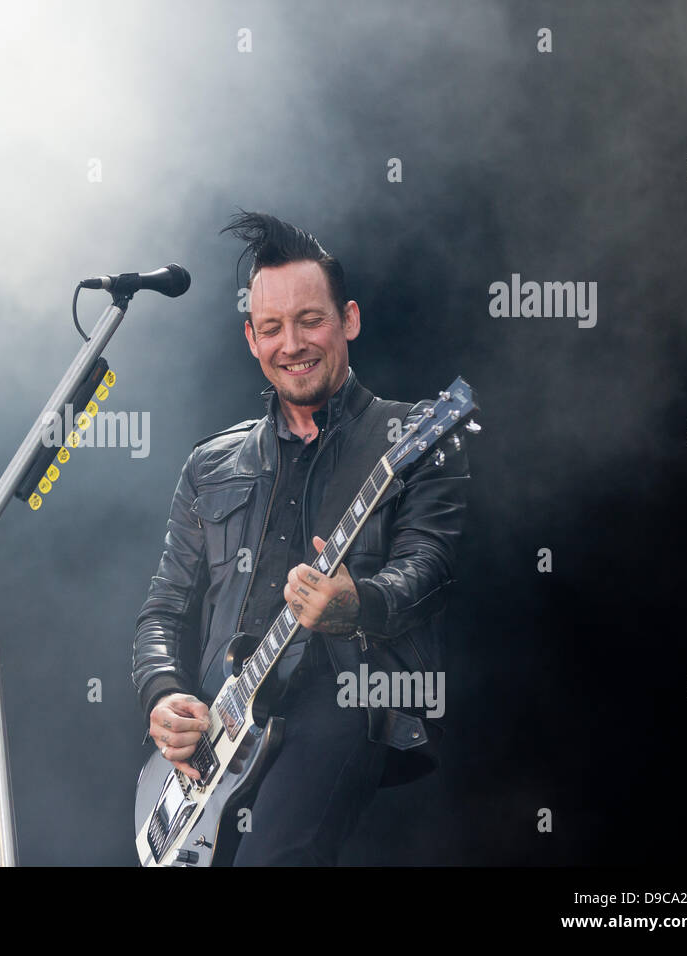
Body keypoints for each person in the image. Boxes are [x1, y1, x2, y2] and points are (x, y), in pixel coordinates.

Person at [132, 211, 470, 865]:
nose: (292, 343)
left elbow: (430, 566)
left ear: (349, 319)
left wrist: (357, 603)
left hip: (346, 699)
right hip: (222, 737)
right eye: (272, 327)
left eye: (310, 319)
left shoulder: (413, 435)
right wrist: (166, 694)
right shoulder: (211, 464)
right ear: (251, 338)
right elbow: (164, 609)